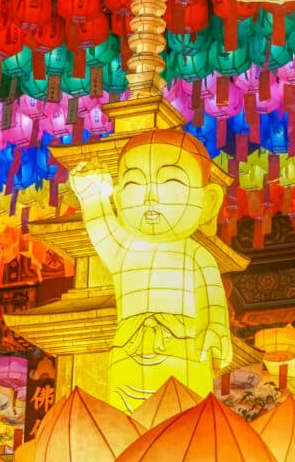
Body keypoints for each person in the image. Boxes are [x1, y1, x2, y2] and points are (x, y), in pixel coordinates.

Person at [68, 128, 232, 411]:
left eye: (170, 183)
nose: (150, 198)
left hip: (183, 350)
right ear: (118, 201)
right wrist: (91, 196)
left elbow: (213, 301)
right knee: (126, 419)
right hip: (128, 352)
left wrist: (215, 328)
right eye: (135, 184)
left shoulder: (196, 256)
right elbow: (101, 228)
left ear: (207, 203)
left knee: (183, 419)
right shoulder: (125, 251)